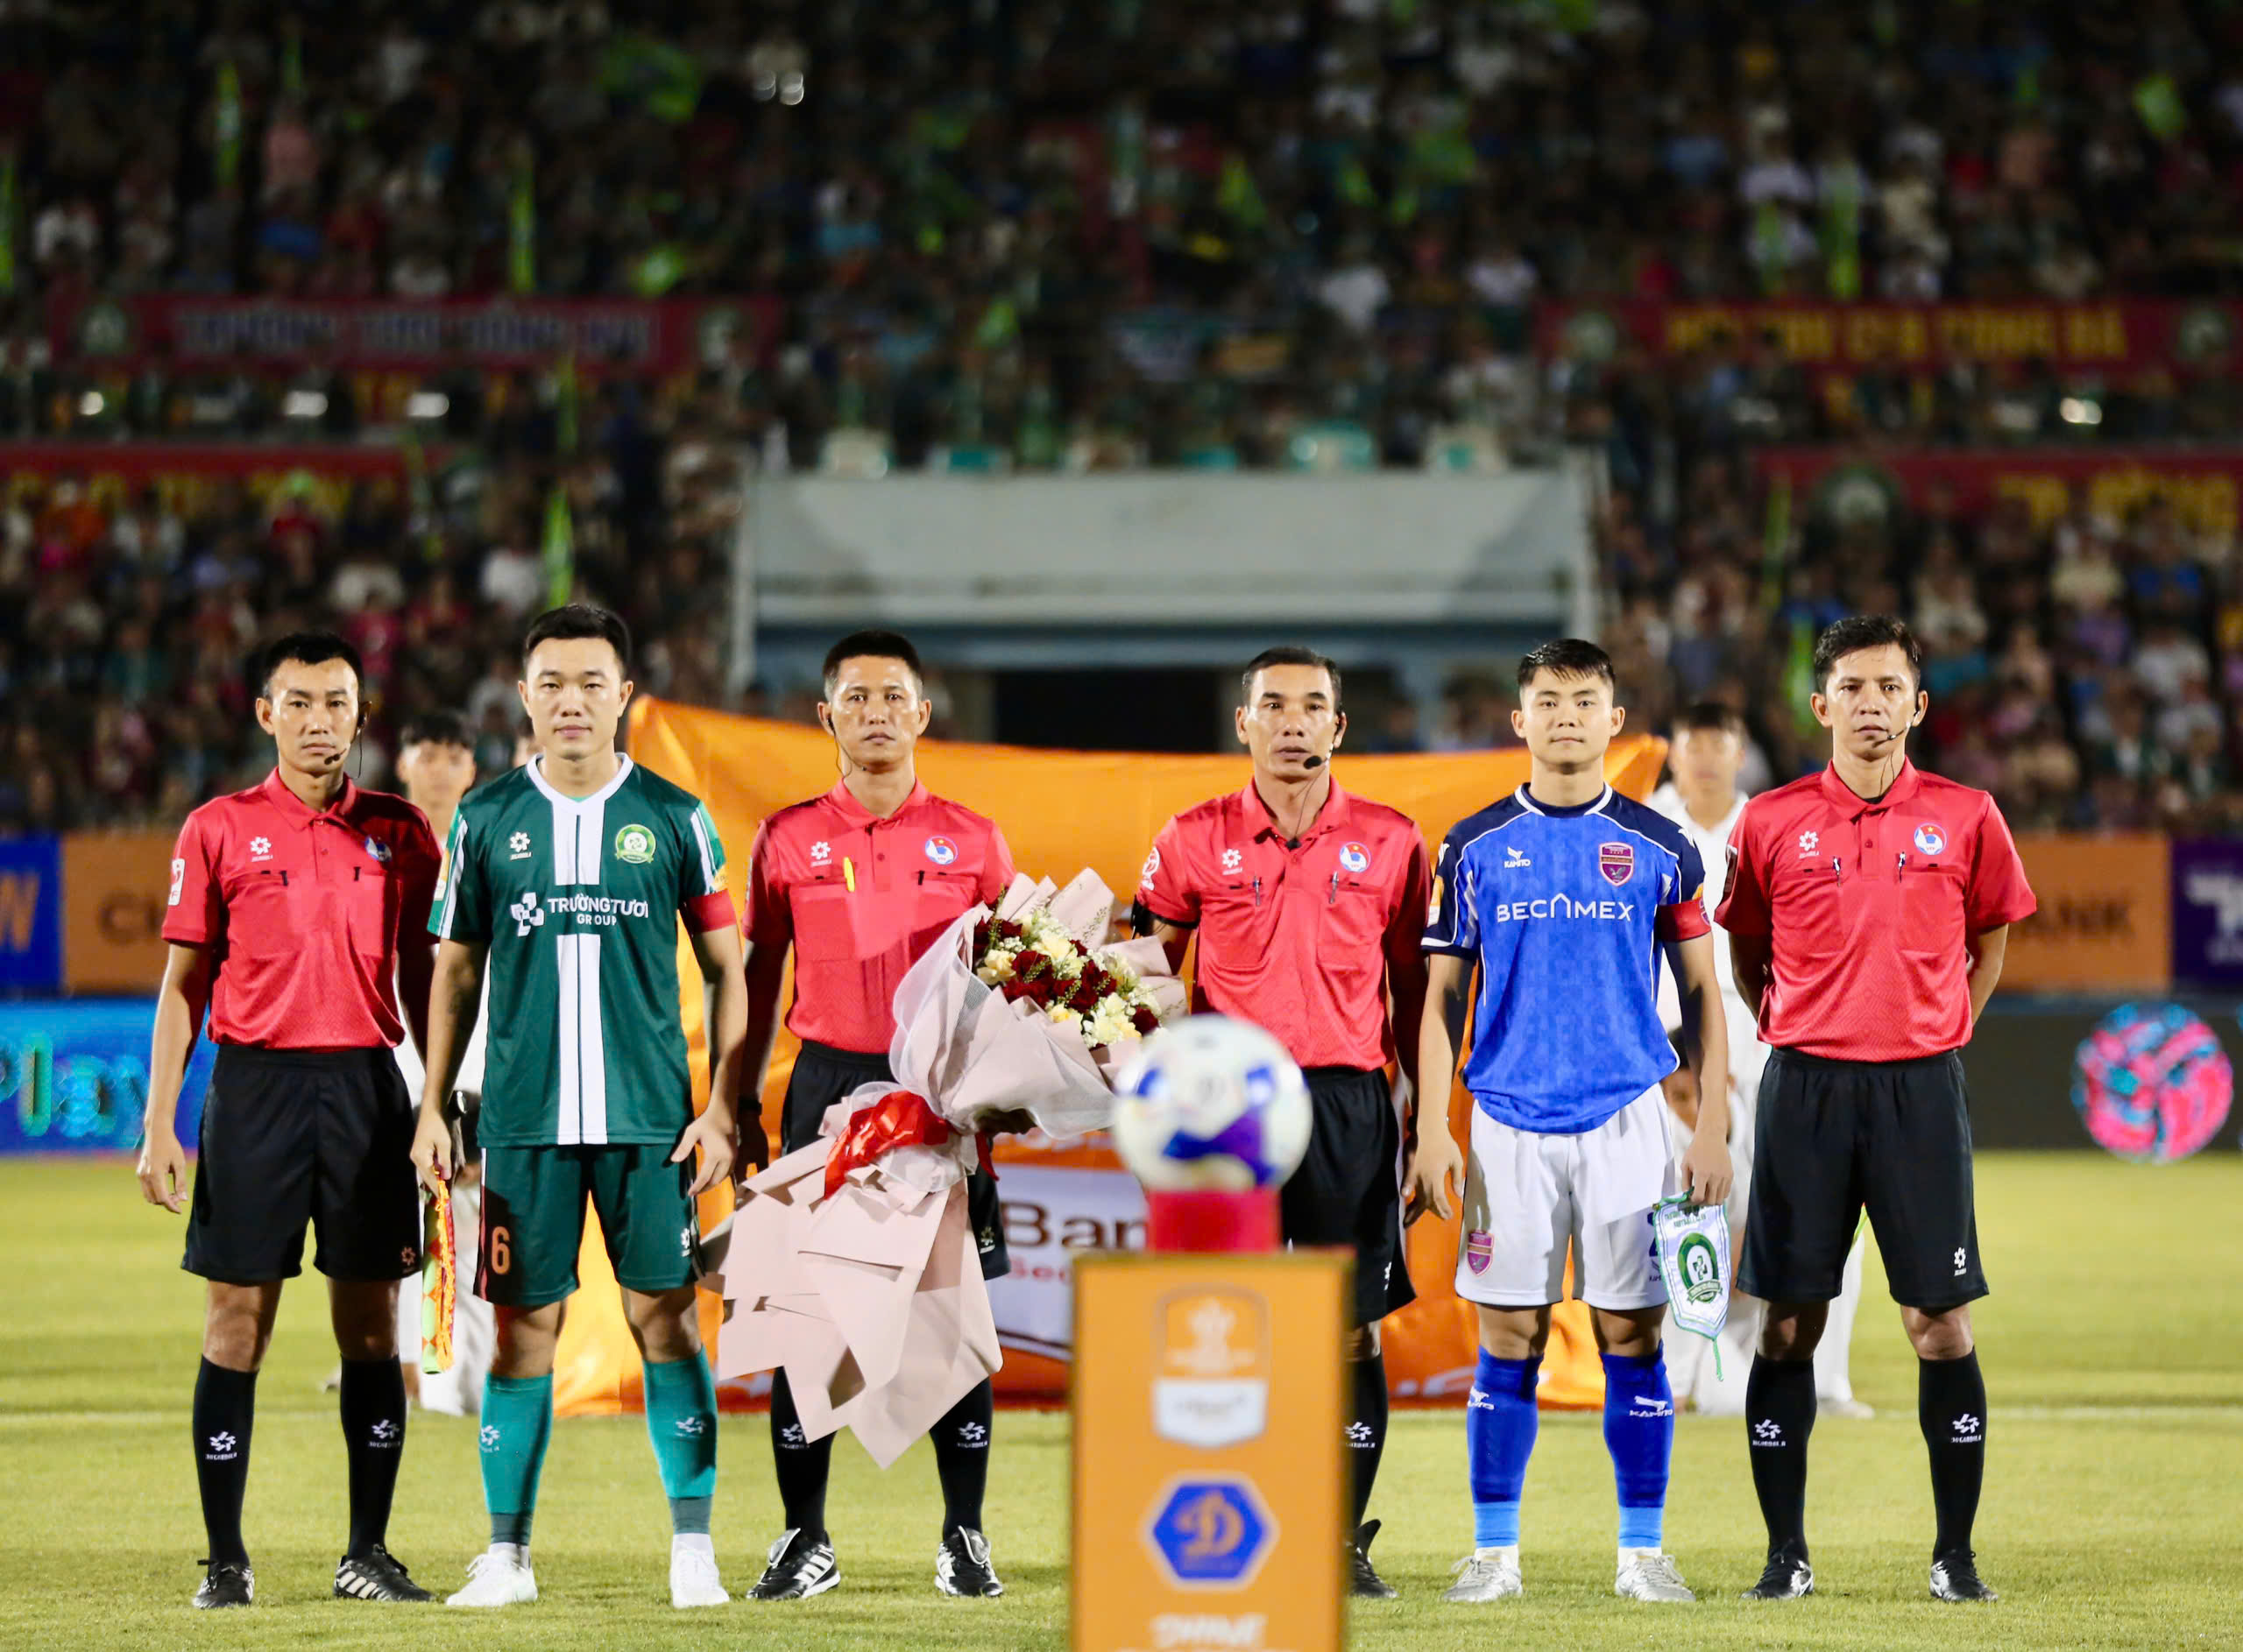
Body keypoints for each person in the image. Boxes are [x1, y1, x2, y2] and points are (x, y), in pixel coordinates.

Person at [409, 604, 748, 1610]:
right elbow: (455, 970)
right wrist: (433, 1105)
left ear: (624, 695)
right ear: (523, 697)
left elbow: (728, 969)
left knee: (666, 1321)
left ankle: (694, 1549)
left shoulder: (676, 816)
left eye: (591, 682)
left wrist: (721, 1105)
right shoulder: (485, 819)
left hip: (650, 1124)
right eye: (551, 682)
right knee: (524, 1334)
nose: (571, 700)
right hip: (523, 1123)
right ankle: (507, 1556)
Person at [1716, 616, 2034, 1605]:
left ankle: (1955, 1556)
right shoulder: (1768, 820)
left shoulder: (1969, 814)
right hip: (1805, 1088)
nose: (1870, 704)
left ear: (1917, 704)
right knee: (1786, 1325)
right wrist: (1799, 1023)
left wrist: (1941, 1027)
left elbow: (1991, 938)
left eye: (1889, 687)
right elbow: (1745, 948)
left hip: (1919, 1091)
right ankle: (1785, 1555)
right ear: (1821, 705)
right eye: (1852, 687)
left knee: (1938, 1323)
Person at [1412, 638, 1731, 1606]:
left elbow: (1704, 993)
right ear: (1520, 720)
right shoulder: (1472, 846)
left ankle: (1642, 1554)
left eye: (1583, 700)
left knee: (1630, 1334)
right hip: (1506, 1119)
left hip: (1628, 1116)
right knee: (1508, 1334)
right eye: (1547, 701)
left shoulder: (1661, 846)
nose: (1565, 716)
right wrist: (1433, 1126)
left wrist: (1709, 1125)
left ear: (1613, 720)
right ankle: (1493, 1555)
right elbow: (1439, 997)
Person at [137, 632, 443, 1608]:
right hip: (255, 1090)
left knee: (372, 1325)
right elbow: (182, 986)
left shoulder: (402, 832)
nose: (320, 722)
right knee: (237, 1323)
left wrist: (438, 1102)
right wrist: (158, 1121)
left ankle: (368, 1553)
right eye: (300, 703)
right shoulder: (218, 827)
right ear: (266, 713)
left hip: (367, 1090)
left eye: (337, 703)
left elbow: (432, 977)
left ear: (363, 715)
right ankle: (226, 1561)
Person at [1133, 645, 1429, 1598]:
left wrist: (1430, 1127)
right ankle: (1227, 1530)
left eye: (1310, 706)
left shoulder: (1393, 840)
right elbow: (1141, 982)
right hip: (1226, 1113)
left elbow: (1420, 994)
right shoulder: (1190, 837)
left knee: (1349, 1330)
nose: (1291, 722)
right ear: (1243, 722)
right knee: (1224, 1324)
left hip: (1348, 1104)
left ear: (1338, 725)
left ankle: (1340, 1538)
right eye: (1273, 705)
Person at [739, 629, 1017, 1601]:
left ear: (922, 713)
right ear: (826, 716)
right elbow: (757, 981)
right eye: (856, 697)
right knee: (806, 1319)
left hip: (937, 1096)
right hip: (824, 1089)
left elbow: (1014, 982)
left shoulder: (975, 839)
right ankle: (803, 1537)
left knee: (949, 1314)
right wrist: (736, 1099)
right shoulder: (785, 838)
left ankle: (964, 1536)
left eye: (893, 696)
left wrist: (1009, 1092)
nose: (876, 713)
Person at [1649, 704, 1871, 1421]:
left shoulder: (1777, 824)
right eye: (1693, 742)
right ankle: (1676, 1377)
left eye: (1720, 743)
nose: (1706, 757)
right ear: (1672, 754)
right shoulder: (1639, 826)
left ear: (1741, 754)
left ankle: (1825, 1380)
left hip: (1769, 1047)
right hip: (1669, 1062)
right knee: (1676, 1217)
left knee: (1826, 1212)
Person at [389, 711, 495, 1417]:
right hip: (395, 1069)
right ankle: (414, 1374)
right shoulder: (380, 852)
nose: (439, 768)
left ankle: (463, 1381)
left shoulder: (486, 850)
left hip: (476, 1072)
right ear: (403, 763)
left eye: (454, 755)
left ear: (472, 769)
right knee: (405, 1237)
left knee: (473, 1231)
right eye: (426, 753)